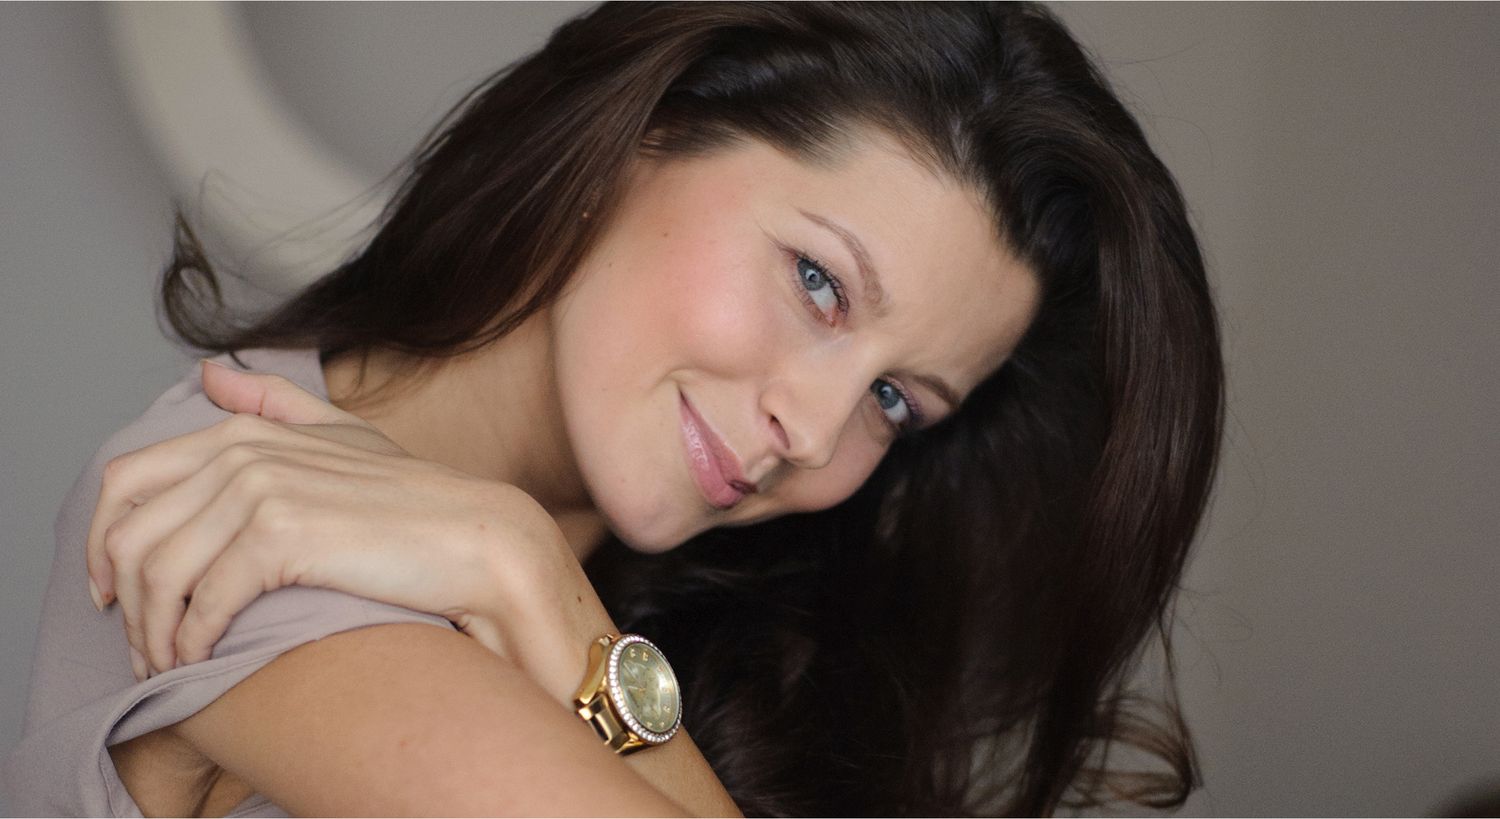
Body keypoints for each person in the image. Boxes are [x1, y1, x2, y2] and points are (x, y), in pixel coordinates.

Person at [7, 2, 1224, 815]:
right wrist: (522, 568)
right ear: (649, 132)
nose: (812, 427)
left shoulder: (682, 626)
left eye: (896, 401)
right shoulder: (247, 510)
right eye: (818, 283)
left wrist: (533, 581)